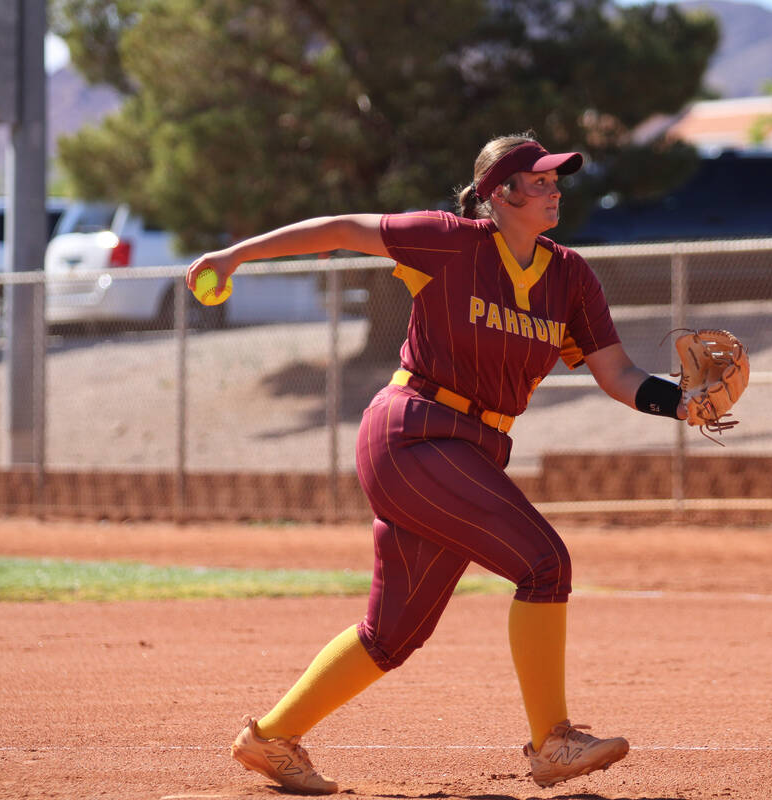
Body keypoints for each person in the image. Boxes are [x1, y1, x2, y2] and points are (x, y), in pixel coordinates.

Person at [186, 132, 695, 794]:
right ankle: (553, 742)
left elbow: (618, 372)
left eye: (555, 180)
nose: (554, 190)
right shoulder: (450, 241)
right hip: (414, 432)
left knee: (391, 635)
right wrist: (236, 254)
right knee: (544, 563)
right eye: (538, 181)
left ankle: (271, 739)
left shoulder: (570, 275)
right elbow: (344, 229)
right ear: (498, 194)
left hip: (473, 452)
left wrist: (681, 404)